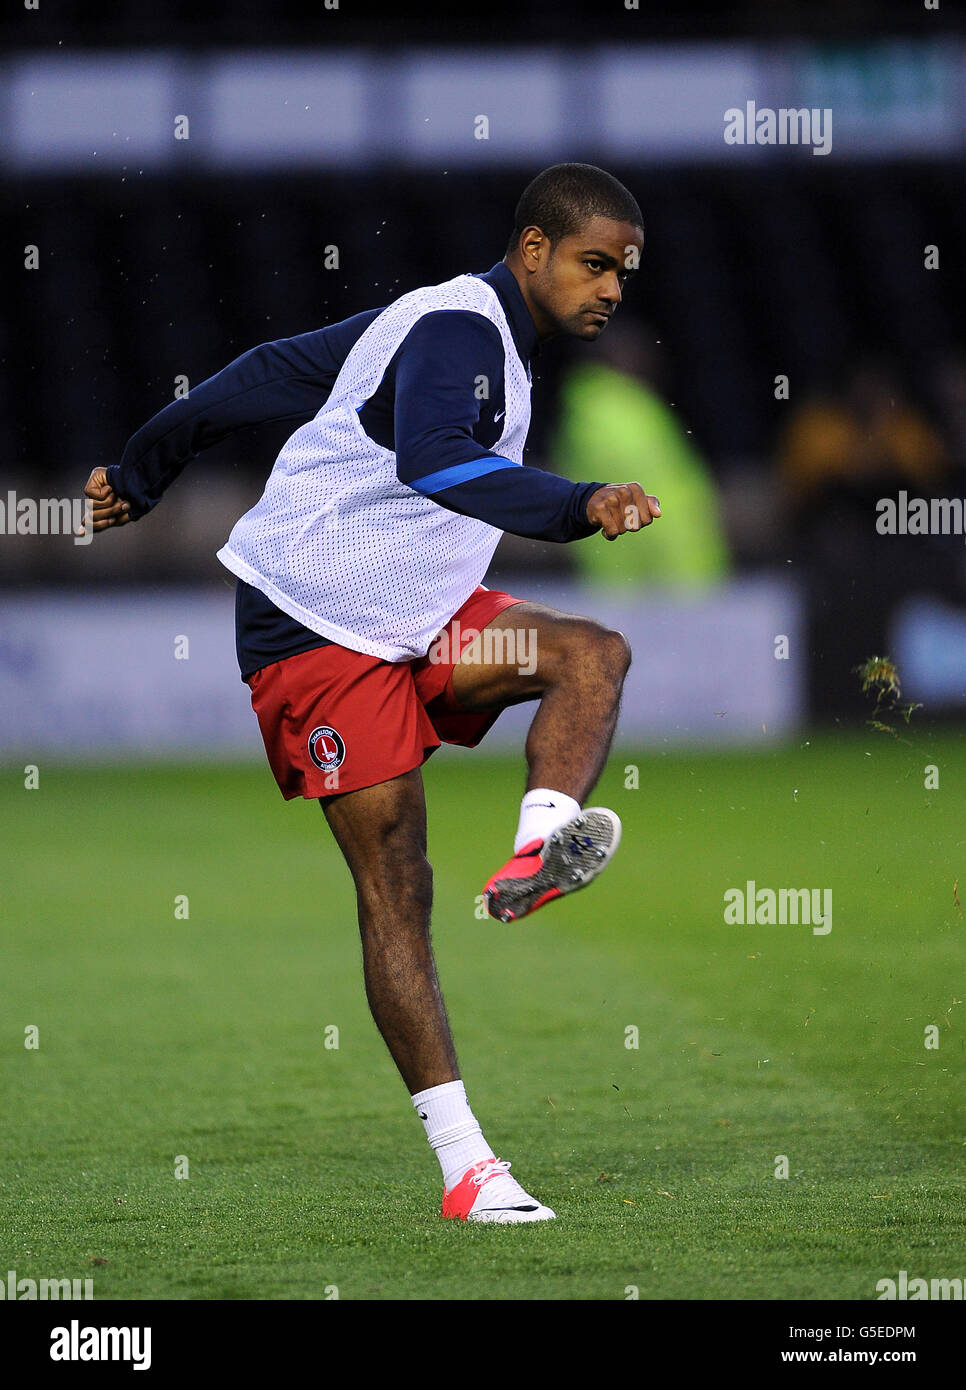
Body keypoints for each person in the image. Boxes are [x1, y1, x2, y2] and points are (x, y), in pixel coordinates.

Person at [81, 163, 660, 1224]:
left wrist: (142, 467)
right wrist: (583, 504)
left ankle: (540, 843)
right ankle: (467, 1167)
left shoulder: (449, 329)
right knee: (399, 876)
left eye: (622, 269)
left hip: (419, 606)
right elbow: (438, 463)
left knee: (593, 654)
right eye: (592, 263)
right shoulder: (455, 327)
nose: (612, 287)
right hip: (314, 620)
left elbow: (263, 371)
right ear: (532, 248)